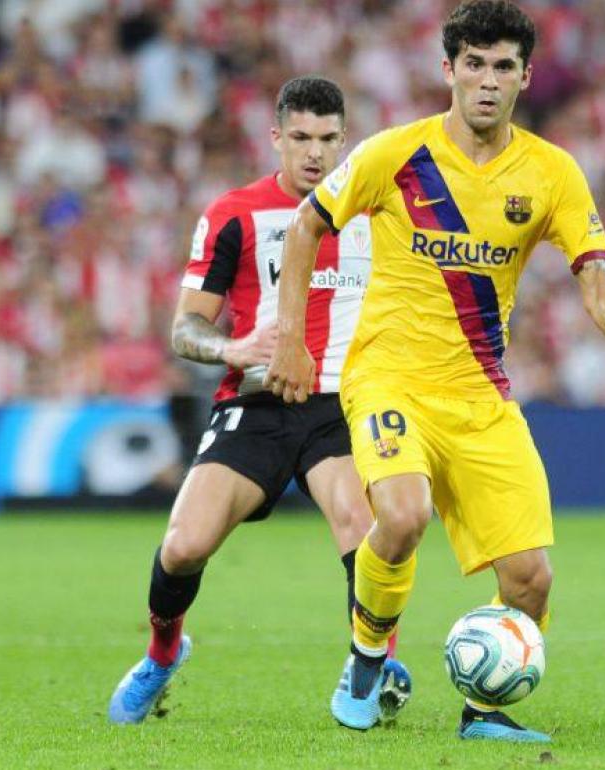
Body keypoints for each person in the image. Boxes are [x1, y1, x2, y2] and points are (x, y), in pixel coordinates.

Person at [266, 1, 605, 742]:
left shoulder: (551, 172)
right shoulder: (395, 154)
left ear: (525, 76)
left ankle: (484, 712)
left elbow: (592, 270)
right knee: (403, 514)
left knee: (531, 578)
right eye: (475, 64)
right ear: (448, 69)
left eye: (503, 67)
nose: (488, 81)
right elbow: (306, 226)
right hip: (388, 377)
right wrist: (291, 339)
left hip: (480, 394)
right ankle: (365, 660)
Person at [109, 76, 405, 724]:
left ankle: (371, 663)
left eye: (328, 139)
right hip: (257, 401)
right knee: (184, 545)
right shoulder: (233, 214)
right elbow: (185, 327)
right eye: (300, 137)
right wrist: (232, 347)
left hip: (341, 405)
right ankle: (162, 654)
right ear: (275, 138)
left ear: (344, 139)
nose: (315, 154)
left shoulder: (379, 216)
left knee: (365, 530)